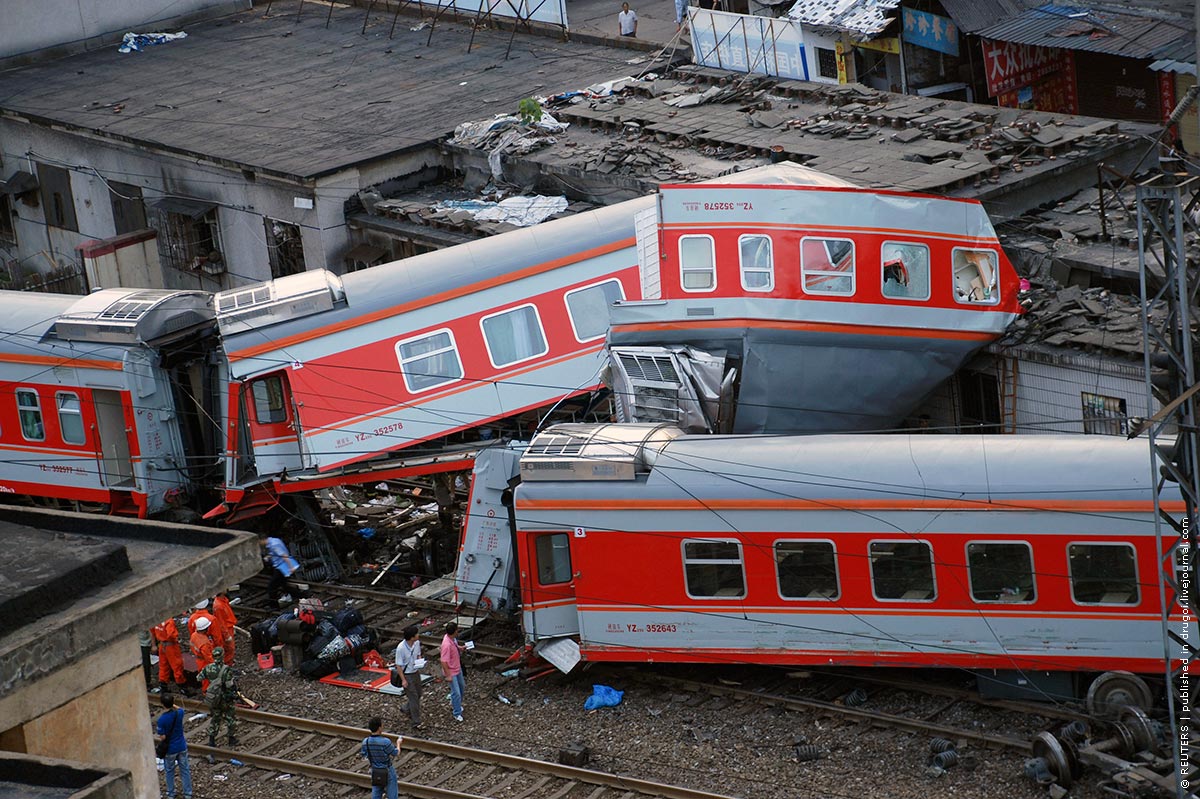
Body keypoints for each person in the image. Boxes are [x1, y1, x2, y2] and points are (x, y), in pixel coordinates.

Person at [198, 647, 238, 747]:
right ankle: (231, 739)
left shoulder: (208, 668)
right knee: (230, 718)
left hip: (214, 698)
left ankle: (212, 740)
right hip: (225, 698)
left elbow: (199, 678)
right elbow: (229, 685)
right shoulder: (226, 669)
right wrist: (233, 694)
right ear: (222, 656)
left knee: (215, 718)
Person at [156, 693, 193, 799]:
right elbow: (180, 708)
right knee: (185, 770)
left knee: (169, 771)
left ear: (163, 704)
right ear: (173, 703)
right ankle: (188, 793)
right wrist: (173, 704)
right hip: (181, 746)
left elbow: (162, 737)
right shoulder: (179, 713)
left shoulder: (162, 719)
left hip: (170, 749)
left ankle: (171, 793)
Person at [361, 716, 400, 799]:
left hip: (375, 771)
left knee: (376, 794)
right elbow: (396, 753)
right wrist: (398, 743)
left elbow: (364, 755)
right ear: (379, 728)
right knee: (392, 795)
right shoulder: (385, 741)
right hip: (387, 770)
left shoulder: (366, 742)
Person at [395, 625, 424, 729]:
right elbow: (398, 665)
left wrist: (420, 661)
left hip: (415, 672)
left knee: (419, 693)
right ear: (412, 637)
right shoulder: (401, 648)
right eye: (416, 633)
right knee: (414, 698)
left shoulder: (416, 643)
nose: (418, 635)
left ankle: (406, 708)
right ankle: (416, 721)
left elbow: (418, 655)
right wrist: (403, 680)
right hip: (407, 674)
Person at [152, 616, 187, 696]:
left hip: (162, 645)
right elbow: (171, 634)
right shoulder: (169, 620)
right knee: (177, 666)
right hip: (171, 646)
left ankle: (163, 686)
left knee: (163, 666)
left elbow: (152, 631)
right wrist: (176, 638)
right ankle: (182, 688)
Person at [440, 622, 466, 722]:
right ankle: (457, 712)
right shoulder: (446, 645)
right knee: (456, 692)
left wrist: (460, 648)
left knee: (462, 686)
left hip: (457, 667)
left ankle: (457, 705)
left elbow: (455, 646)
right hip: (451, 671)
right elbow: (443, 661)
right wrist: (448, 675)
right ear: (455, 631)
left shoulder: (452, 639)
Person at [262, 536, 300, 604]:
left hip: (281, 566)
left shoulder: (274, 545)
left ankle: (273, 605)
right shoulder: (274, 540)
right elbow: (276, 553)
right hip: (280, 565)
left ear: (262, 540)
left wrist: (291, 567)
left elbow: (284, 555)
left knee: (272, 586)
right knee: (284, 585)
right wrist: (269, 556)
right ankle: (301, 596)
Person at [190, 616, 215, 693]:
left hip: (198, 660)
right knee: (207, 679)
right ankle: (206, 692)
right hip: (204, 662)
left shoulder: (194, 635)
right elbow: (208, 658)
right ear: (205, 629)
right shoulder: (204, 643)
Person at [212, 591, 238, 666]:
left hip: (229, 627)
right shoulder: (218, 606)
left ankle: (228, 662)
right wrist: (227, 635)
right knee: (230, 648)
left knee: (230, 648)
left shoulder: (223, 600)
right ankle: (227, 664)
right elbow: (221, 623)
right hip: (226, 629)